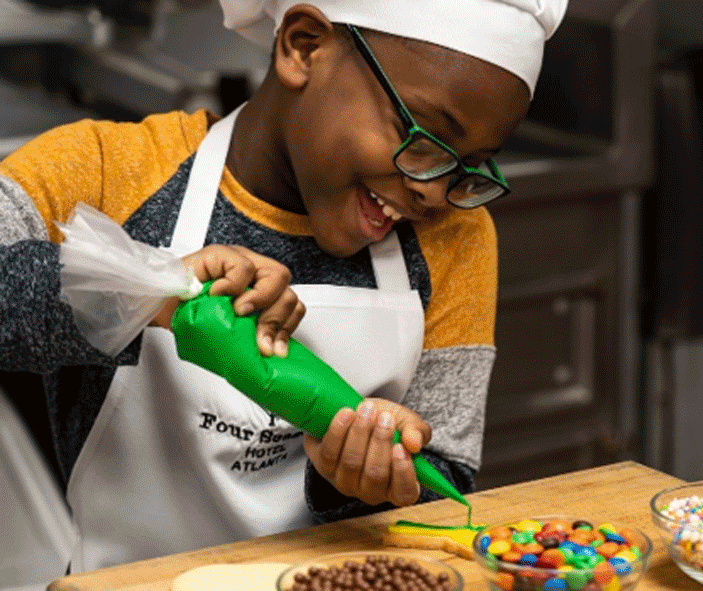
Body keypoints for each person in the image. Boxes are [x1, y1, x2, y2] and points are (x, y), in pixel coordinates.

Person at [0, 0, 566, 572]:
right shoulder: (107, 171)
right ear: (303, 46)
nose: (437, 193)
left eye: (470, 167)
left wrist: (358, 485)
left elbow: (445, 488)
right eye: (423, 141)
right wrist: (146, 289)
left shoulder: (454, 238)